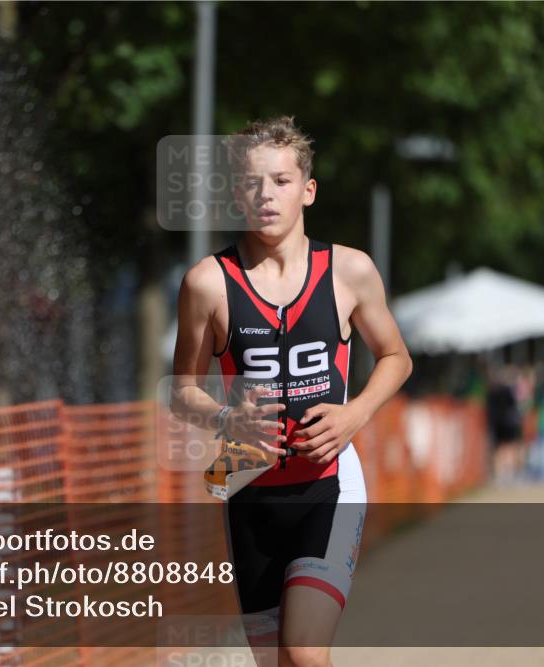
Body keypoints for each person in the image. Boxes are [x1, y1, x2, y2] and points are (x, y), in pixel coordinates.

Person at [170, 116, 412, 667]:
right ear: (237, 193)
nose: (266, 195)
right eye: (253, 183)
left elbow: (397, 358)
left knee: (302, 651)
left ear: (308, 190)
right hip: (248, 491)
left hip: (329, 486)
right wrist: (225, 420)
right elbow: (181, 390)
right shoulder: (207, 283)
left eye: (281, 181)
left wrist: (356, 414)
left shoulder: (349, 271)